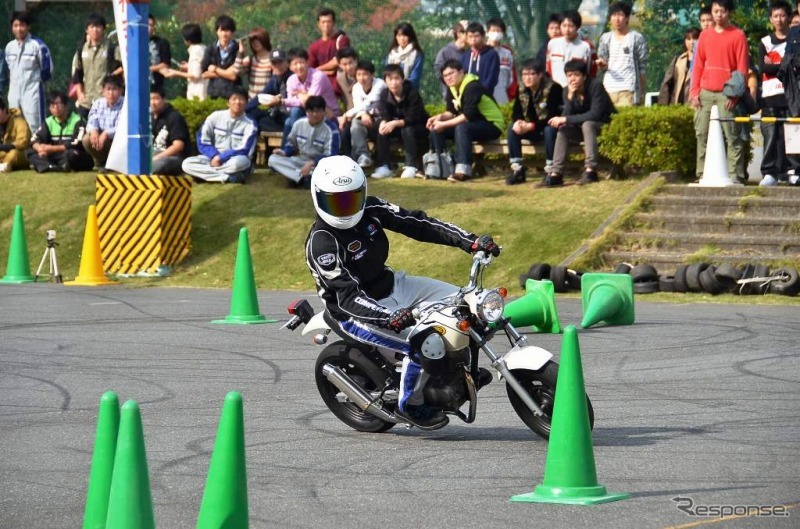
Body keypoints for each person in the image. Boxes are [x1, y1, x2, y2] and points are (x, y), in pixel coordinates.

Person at [304, 154, 500, 429]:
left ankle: (455, 372)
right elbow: (347, 298)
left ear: (362, 193)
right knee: (425, 341)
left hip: (392, 284)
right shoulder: (322, 244)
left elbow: (416, 222)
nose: (345, 208)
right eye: (336, 201)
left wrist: (470, 242)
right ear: (318, 196)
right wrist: (387, 316)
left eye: (351, 198)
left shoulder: (371, 209)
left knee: (468, 305)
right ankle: (411, 405)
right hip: (355, 312)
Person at [690, 0, 749, 183]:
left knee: (732, 135)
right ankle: (701, 174)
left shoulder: (738, 35)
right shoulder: (704, 36)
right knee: (701, 133)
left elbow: (742, 69)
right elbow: (698, 65)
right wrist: (694, 91)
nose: (718, 15)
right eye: (715, 11)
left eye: (722, 11)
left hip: (727, 94)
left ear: (729, 12)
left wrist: (734, 94)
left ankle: (736, 176)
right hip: (705, 92)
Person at [427, 59, 504, 182]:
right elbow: (450, 112)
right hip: (472, 125)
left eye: (451, 73)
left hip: (492, 125)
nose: (448, 78)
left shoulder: (472, 86)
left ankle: (463, 171)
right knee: (435, 129)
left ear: (461, 72)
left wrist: (443, 124)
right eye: (445, 75)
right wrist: (439, 118)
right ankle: (441, 168)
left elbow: (467, 116)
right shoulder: (452, 88)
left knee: (462, 127)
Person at [545, 59, 615, 187]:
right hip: (583, 130)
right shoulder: (567, 91)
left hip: (604, 126)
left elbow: (595, 115)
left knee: (587, 124)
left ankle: (591, 171)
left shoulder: (596, 86)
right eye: (569, 76)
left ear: (584, 76)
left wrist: (566, 119)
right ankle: (556, 173)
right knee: (564, 130)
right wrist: (570, 98)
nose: (573, 79)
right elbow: (566, 117)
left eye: (576, 75)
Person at [759, 0, 800, 186]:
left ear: (789, 17)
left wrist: (777, 66)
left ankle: (793, 170)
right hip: (770, 96)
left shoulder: (795, 39)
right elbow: (763, 67)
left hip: (791, 96)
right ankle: (769, 172)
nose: (779, 19)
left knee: (792, 136)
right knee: (770, 137)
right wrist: (783, 65)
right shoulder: (765, 42)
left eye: (783, 15)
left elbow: (794, 65)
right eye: (775, 16)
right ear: (770, 19)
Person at [505, 59, 562, 185]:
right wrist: (519, 122)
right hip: (532, 129)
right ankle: (517, 170)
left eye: (531, 74)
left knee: (549, 130)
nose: (527, 78)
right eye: (524, 75)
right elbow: (517, 111)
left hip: (549, 128)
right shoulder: (521, 89)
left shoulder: (553, 88)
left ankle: (551, 170)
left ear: (540, 74)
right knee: (512, 129)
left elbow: (552, 116)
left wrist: (530, 126)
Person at [182, 86, 257, 183]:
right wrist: (214, 156)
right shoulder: (215, 116)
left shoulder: (250, 124)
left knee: (237, 164)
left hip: (236, 158)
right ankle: (228, 178)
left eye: (241, 99)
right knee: (186, 164)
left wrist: (221, 158)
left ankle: (204, 175)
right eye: (234, 99)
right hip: (213, 157)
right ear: (228, 102)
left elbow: (244, 148)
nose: (237, 102)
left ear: (246, 103)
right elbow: (202, 139)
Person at [372, 64, 429, 179]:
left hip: (418, 127)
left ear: (402, 79)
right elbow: (383, 112)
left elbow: (414, 117)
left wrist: (395, 123)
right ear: (385, 81)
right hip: (398, 127)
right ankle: (384, 166)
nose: (394, 82)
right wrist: (384, 121)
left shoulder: (412, 93)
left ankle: (411, 166)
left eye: (397, 78)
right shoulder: (384, 94)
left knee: (407, 129)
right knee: (381, 129)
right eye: (390, 79)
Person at [267, 96, 338, 188]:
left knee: (330, 169)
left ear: (324, 111)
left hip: (319, 165)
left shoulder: (331, 129)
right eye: (311, 111)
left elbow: (331, 155)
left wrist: (313, 163)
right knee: (273, 159)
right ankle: (303, 178)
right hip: (301, 161)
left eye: (318, 111)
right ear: (306, 111)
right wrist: (284, 152)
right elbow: (291, 144)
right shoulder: (299, 124)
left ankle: (296, 177)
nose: (315, 114)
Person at [5, 10, 53, 133]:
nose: (19, 29)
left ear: (28, 26)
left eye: (22, 25)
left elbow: (48, 70)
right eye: (15, 26)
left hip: (32, 94)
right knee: (15, 126)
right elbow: (8, 70)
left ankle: (36, 151)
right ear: (12, 27)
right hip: (14, 94)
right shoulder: (9, 47)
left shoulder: (37, 45)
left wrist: (35, 83)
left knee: (35, 126)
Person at [283, 47, 339, 147]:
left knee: (293, 116)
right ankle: (286, 151)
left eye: (302, 62)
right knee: (290, 119)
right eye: (295, 64)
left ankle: (292, 149)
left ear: (308, 62)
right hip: (306, 113)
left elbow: (312, 102)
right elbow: (289, 108)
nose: (299, 66)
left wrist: (299, 95)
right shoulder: (291, 80)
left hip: (327, 114)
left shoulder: (318, 76)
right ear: (290, 66)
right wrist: (304, 96)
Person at [71, 13, 123, 120]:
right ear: (87, 30)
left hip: (106, 98)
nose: (95, 30)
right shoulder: (82, 49)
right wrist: (80, 93)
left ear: (103, 29)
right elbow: (77, 73)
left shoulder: (111, 48)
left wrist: (113, 75)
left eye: (98, 26)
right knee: (84, 131)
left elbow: (124, 66)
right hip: (87, 100)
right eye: (92, 27)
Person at [596, 2, 648, 107]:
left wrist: (641, 91)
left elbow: (642, 66)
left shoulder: (636, 38)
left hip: (628, 88)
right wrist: (602, 65)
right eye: (614, 15)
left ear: (627, 18)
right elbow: (603, 63)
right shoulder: (605, 38)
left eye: (620, 15)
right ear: (610, 18)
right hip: (608, 88)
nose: (617, 19)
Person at [27, 90, 93, 173]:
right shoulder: (48, 122)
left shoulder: (77, 120)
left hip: (72, 153)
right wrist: (40, 149)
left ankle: (51, 166)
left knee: (71, 154)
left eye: (58, 104)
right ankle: (53, 167)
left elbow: (77, 142)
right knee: (30, 152)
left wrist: (51, 148)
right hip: (55, 156)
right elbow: (34, 139)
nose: (56, 107)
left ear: (65, 105)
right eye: (52, 105)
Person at [342, 60, 386, 169]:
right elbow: (358, 105)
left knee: (352, 120)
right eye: (359, 75)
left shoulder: (380, 84)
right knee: (355, 124)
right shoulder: (356, 87)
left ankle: (383, 163)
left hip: (383, 118)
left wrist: (347, 114)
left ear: (372, 75)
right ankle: (364, 156)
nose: (362, 78)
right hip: (367, 118)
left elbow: (371, 101)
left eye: (365, 74)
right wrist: (363, 114)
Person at [82, 74, 124, 168]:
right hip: (102, 140)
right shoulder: (98, 103)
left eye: (114, 89)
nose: (111, 93)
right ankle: (102, 162)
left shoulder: (126, 104)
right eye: (108, 89)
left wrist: (106, 133)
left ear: (121, 90)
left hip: (119, 141)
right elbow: (92, 120)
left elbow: (123, 127)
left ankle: (116, 163)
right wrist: (93, 131)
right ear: (103, 91)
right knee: (87, 139)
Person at [244, 48, 291, 133]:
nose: (277, 66)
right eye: (274, 63)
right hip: (277, 113)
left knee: (261, 122)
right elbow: (260, 97)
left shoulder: (292, 78)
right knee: (250, 113)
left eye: (280, 62)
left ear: (287, 63)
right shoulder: (275, 78)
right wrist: (244, 109)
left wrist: (278, 101)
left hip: (288, 117)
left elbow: (286, 103)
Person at [546, 9, 597, 87]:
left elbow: (591, 72)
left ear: (577, 27)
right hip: (556, 90)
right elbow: (548, 68)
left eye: (571, 26)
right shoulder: (552, 43)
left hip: (578, 90)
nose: (567, 29)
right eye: (564, 25)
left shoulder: (587, 46)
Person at [308, 7, 351, 97]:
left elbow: (338, 61)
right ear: (318, 24)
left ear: (334, 23)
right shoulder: (314, 46)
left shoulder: (342, 40)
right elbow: (310, 70)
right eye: (323, 22)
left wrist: (318, 70)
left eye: (329, 21)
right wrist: (327, 71)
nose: (326, 25)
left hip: (340, 88)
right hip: (319, 88)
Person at [201, 15, 244, 100]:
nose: (224, 34)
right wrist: (226, 73)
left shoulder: (238, 49)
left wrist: (215, 69)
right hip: (214, 93)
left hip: (233, 94)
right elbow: (204, 74)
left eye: (227, 30)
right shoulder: (210, 49)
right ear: (217, 31)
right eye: (221, 30)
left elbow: (233, 76)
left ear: (232, 32)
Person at [162, 23, 207, 100]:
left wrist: (175, 72)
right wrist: (189, 66)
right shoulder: (203, 48)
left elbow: (195, 75)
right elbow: (200, 68)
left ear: (188, 40)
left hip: (197, 93)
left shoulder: (195, 51)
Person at [150, 88, 190, 175]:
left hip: (173, 157)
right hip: (155, 153)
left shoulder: (174, 117)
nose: (153, 102)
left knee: (160, 164)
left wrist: (157, 158)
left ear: (164, 99)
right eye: (150, 99)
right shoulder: (150, 117)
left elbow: (178, 146)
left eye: (156, 98)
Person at [658, 28, 700, 105]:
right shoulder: (678, 59)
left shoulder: (703, 61)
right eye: (688, 39)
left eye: (695, 38)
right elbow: (667, 82)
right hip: (676, 102)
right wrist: (663, 103)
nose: (692, 42)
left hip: (694, 103)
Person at [486, 17, 518, 105]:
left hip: (503, 96)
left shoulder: (507, 53)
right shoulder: (481, 51)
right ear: (487, 32)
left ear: (503, 33)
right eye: (493, 30)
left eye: (498, 31)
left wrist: (511, 95)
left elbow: (512, 76)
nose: (496, 33)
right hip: (485, 96)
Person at [461, 22, 500, 94]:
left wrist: (481, 91)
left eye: (476, 36)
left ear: (483, 36)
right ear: (466, 37)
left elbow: (492, 77)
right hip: (467, 96)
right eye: (470, 36)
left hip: (485, 95)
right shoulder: (465, 56)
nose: (473, 39)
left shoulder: (491, 54)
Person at [334, 47, 359, 156]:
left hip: (362, 114)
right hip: (348, 115)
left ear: (356, 61)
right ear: (339, 65)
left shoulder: (363, 75)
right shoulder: (340, 78)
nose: (348, 67)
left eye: (350, 63)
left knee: (353, 128)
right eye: (344, 64)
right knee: (342, 130)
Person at [434, 21, 467, 99]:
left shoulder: (470, 52)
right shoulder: (445, 52)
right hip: (451, 97)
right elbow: (439, 71)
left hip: (468, 95)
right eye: (467, 32)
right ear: (459, 34)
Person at [386, 22, 424, 90]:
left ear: (410, 37)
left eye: (405, 35)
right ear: (396, 37)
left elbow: (414, 78)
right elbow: (386, 73)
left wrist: (400, 88)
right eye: (399, 35)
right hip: (391, 91)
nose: (402, 38)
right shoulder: (391, 54)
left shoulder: (417, 54)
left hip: (410, 92)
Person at [0, 97, 31, 173]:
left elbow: (23, 142)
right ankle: (3, 166)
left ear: (4, 110)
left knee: (14, 154)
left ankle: (4, 165)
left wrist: (6, 146)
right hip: (2, 154)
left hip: (19, 153)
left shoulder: (19, 122)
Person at [242, 28, 273, 99]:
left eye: (258, 41)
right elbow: (237, 72)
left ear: (264, 40)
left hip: (268, 100)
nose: (255, 43)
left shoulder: (273, 59)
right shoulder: (250, 60)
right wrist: (240, 53)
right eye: (252, 41)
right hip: (252, 100)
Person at [148, 14, 171, 93]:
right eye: (147, 25)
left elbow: (166, 64)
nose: (150, 28)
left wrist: (148, 69)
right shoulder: (133, 43)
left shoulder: (162, 42)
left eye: (151, 25)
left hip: (156, 85)